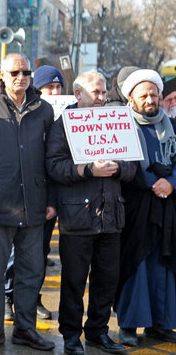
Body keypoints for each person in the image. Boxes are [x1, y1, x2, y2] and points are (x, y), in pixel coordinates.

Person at [0, 53, 56, 352]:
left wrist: (50, 199)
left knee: (31, 272)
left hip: (34, 205)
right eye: (15, 71)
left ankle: (25, 329)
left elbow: (52, 159)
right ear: (2, 74)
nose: (22, 77)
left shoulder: (44, 109)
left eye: (26, 71)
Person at [46, 70, 135, 355]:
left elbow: (133, 166)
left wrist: (119, 168)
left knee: (106, 280)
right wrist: (87, 170)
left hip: (111, 216)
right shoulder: (63, 125)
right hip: (77, 217)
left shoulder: (117, 121)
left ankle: (98, 332)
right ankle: (71, 335)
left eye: (104, 91)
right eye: (96, 92)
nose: (102, 97)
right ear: (78, 94)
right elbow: (54, 167)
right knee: (73, 281)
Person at [115, 69, 176, 346]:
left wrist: (171, 183)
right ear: (131, 99)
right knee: (135, 264)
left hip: (168, 205)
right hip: (136, 206)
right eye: (144, 95)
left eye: (154, 94)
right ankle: (129, 324)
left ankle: (160, 324)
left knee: (164, 265)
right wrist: (155, 182)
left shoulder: (173, 125)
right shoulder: (121, 126)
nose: (150, 99)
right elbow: (123, 164)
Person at [5, 64, 65, 322]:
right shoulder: (31, 112)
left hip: (44, 199)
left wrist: (52, 200)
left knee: (38, 255)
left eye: (58, 87)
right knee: (12, 253)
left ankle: (32, 298)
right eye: (48, 87)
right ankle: (8, 297)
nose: (54, 91)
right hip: (14, 197)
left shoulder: (58, 116)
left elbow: (54, 162)